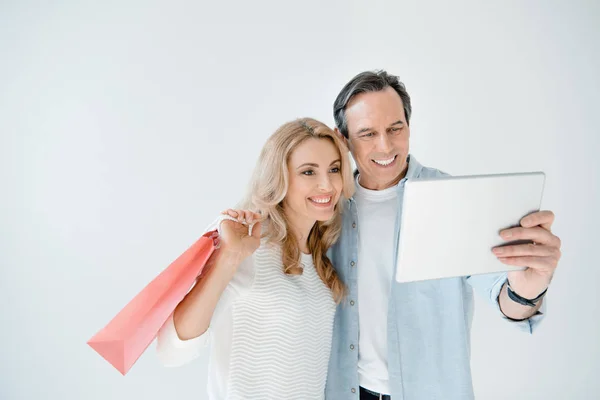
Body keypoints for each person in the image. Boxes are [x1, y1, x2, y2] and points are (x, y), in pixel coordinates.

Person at [325, 70, 563, 400]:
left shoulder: (454, 201)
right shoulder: (327, 210)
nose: (386, 145)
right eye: (367, 134)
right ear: (343, 139)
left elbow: (507, 298)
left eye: (396, 128)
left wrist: (528, 291)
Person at [156, 118, 354, 399]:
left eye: (334, 169)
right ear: (279, 177)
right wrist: (228, 258)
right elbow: (171, 351)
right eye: (308, 172)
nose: (327, 184)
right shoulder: (248, 247)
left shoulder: (322, 256)